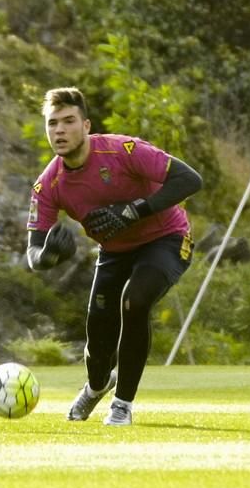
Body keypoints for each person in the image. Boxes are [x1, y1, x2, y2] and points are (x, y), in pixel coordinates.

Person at [26, 87, 202, 426]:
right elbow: (33, 255)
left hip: (166, 238)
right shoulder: (48, 185)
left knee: (134, 301)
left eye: (68, 121)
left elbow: (190, 179)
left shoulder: (123, 150)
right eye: (52, 124)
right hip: (114, 251)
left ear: (86, 125)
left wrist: (135, 210)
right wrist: (49, 254)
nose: (59, 130)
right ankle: (95, 386)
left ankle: (122, 404)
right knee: (98, 336)